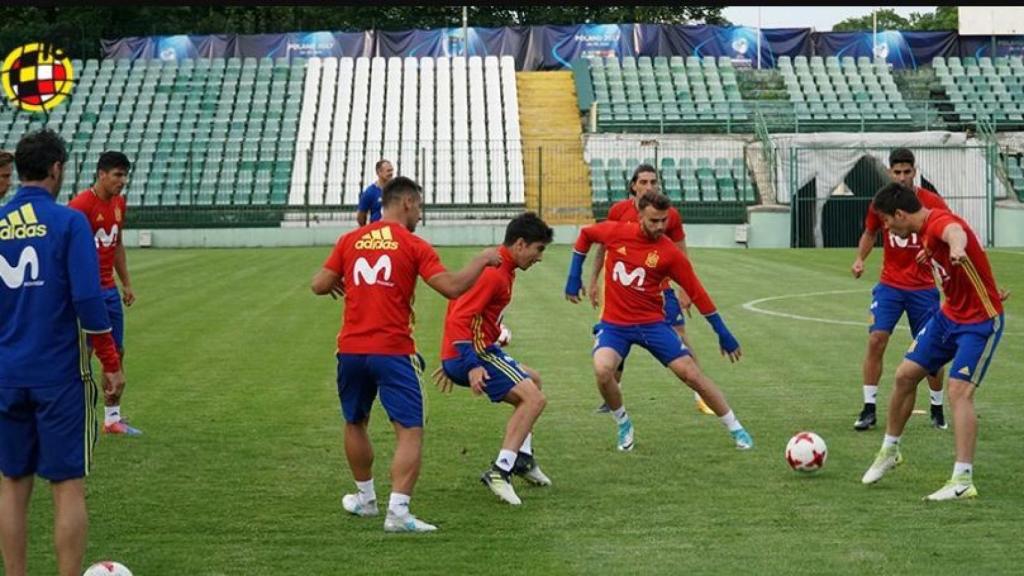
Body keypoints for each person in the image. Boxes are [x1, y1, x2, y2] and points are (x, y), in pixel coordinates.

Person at [311, 176, 501, 532]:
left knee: (355, 421)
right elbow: (452, 288)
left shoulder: (350, 240)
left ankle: (365, 500)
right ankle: (398, 513)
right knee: (409, 431)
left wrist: (338, 279)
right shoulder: (413, 244)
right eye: (420, 207)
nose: (420, 215)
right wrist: (482, 260)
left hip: (350, 348)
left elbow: (319, 284)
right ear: (408, 203)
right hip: (392, 350)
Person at [0, 129, 125, 576]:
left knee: (13, 482)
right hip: (58, 374)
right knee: (66, 483)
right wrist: (111, 363)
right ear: (57, 169)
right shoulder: (69, 221)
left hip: (6, 374)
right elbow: (89, 301)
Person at [565, 192, 753, 452]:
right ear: (640, 214)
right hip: (615, 325)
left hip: (652, 324)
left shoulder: (668, 253)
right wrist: (574, 277)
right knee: (602, 369)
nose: (659, 227)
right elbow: (586, 235)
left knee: (691, 374)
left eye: (664, 221)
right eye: (654, 221)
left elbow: (697, 292)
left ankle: (737, 429)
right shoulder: (617, 232)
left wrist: (722, 332)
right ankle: (623, 424)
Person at [861, 183, 1009, 501]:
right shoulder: (925, 232)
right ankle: (890, 450)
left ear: (900, 214)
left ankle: (962, 479)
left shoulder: (939, 222)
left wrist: (956, 248)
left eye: (886, 221)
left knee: (959, 391)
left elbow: (955, 231)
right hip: (948, 317)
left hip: (979, 322)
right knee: (904, 376)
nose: (885, 227)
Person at [432, 213, 554, 506]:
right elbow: (460, 317)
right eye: (539, 249)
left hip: (475, 349)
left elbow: (464, 311)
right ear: (521, 244)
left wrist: (461, 352)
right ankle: (501, 471)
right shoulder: (493, 272)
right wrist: (468, 363)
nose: (539, 258)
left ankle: (522, 459)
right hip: (477, 353)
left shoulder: (501, 265)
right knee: (534, 400)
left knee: (533, 381)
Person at [589, 164, 714, 416]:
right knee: (617, 338)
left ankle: (701, 393)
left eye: (653, 182)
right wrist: (593, 280)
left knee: (679, 334)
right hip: (622, 288)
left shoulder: (670, 215)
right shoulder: (618, 211)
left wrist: (685, 289)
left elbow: (680, 252)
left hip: (661, 289)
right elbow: (602, 246)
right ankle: (615, 392)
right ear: (633, 185)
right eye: (643, 182)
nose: (648, 186)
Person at [851, 148, 950, 431]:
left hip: (923, 289)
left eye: (907, 172)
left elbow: (947, 231)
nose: (902, 177)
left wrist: (932, 251)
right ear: (890, 172)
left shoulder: (931, 202)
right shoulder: (880, 203)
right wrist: (860, 259)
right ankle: (869, 408)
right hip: (890, 285)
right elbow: (870, 232)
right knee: (876, 340)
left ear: (914, 172)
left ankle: (937, 406)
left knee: (931, 350)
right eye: (897, 172)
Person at [69, 152, 140, 436]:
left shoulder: (119, 203)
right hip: (86, 292)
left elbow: (117, 244)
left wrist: (126, 283)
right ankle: (75, 414)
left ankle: (112, 418)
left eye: (124, 176)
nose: (122, 181)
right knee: (81, 355)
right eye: (117, 175)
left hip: (108, 291)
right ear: (101, 174)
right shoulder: (80, 206)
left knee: (116, 351)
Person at [356, 159, 394, 226]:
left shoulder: (397, 189)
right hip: (378, 232)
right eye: (388, 171)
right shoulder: (370, 192)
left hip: (394, 231)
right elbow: (361, 216)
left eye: (392, 170)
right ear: (379, 172)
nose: (391, 173)